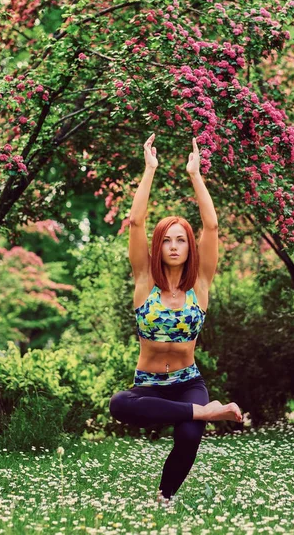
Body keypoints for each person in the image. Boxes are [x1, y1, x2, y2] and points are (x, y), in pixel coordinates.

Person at [109, 133, 243, 505]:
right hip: (148, 384)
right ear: (158, 246)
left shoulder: (199, 284)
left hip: (187, 383)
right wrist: (149, 169)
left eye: (181, 240)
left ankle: (164, 498)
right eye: (166, 239)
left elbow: (212, 228)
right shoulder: (143, 283)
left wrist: (195, 175)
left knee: (187, 437)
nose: (173, 246)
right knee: (120, 404)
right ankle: (206, 412)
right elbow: (135, 223)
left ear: (189, 247)